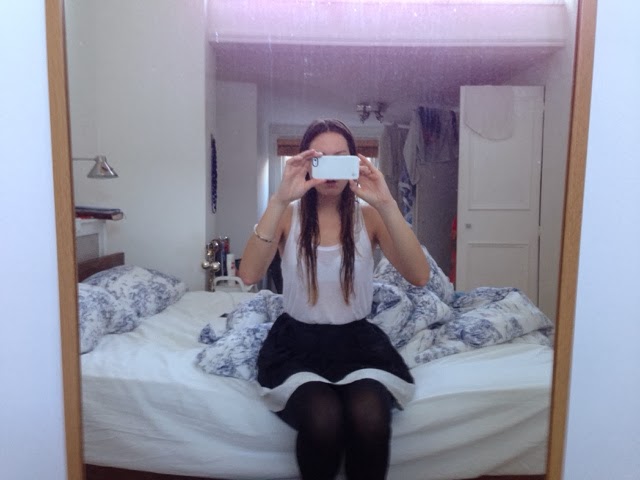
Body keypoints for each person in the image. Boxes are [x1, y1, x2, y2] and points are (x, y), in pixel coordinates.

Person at [238, 119, 430, 480]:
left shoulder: (369, 217)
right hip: (296, 344)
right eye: (320, 158)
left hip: (357, 342)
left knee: (369, 418)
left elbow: (419, 276)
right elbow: (248, 274)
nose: (330, 169)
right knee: (323, 419)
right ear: (306, 163)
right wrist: (279, 199)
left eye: (340, 158)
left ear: (354, 162)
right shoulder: (287, 215)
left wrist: (386, 202)